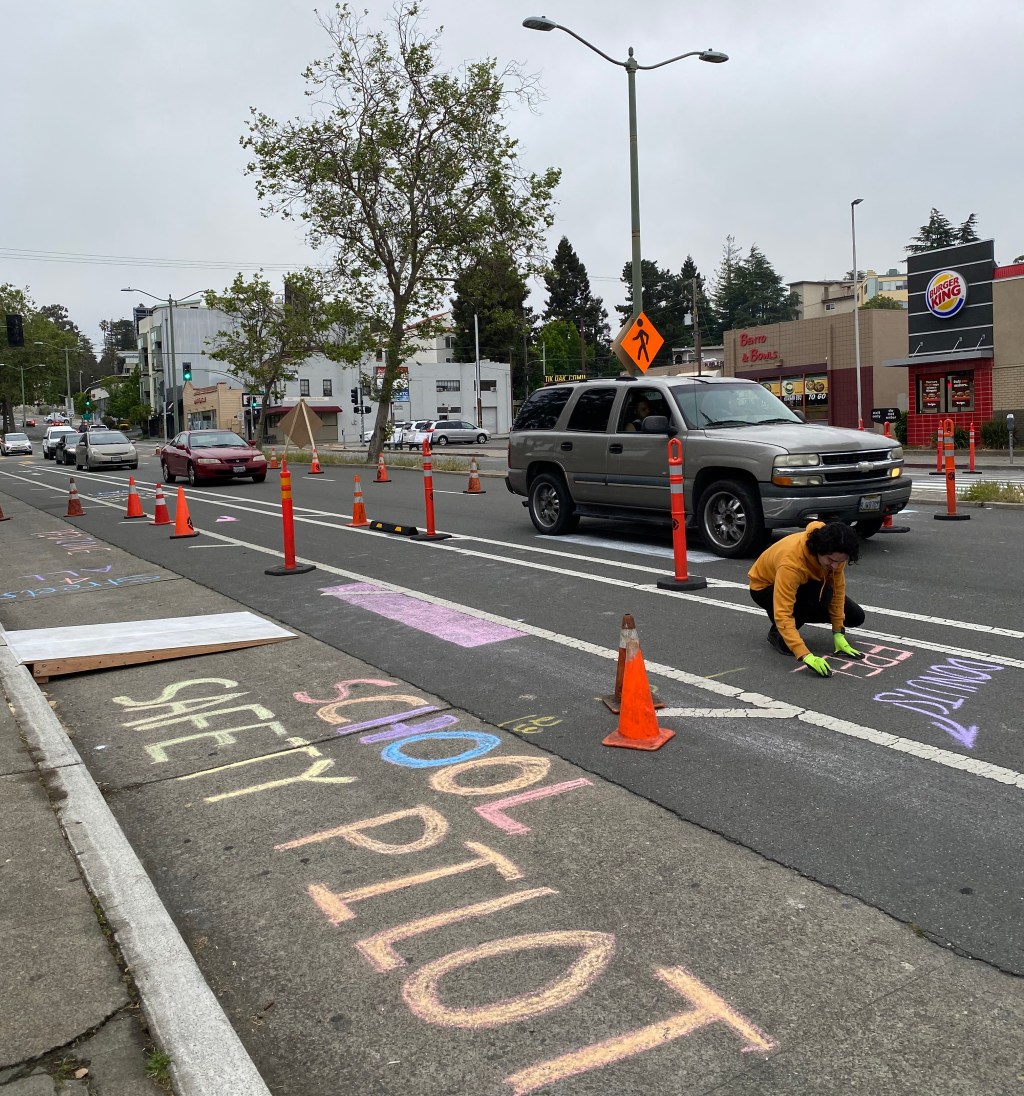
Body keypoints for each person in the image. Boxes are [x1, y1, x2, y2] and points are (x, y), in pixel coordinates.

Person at [747, 520, 866, 677]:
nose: (835, 566)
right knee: (818, 597)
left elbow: (838, 591)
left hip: (806, 585)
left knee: (855, 616)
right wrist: (804, 654)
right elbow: (783, 610)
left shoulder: (835, 555)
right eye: (831, 560)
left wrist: (838, 632)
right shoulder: (792, 563)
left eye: (840, 561)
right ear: (819, 550)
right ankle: (778, 633)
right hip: (764, 588)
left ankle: (795, 620)